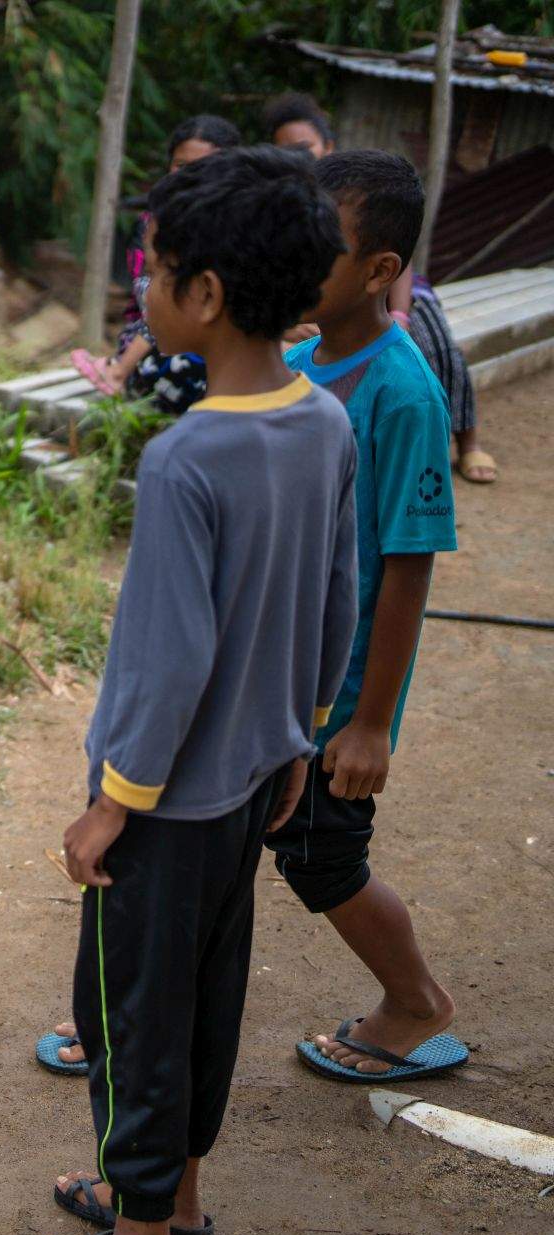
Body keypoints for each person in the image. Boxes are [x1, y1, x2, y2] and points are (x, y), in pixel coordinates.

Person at [18, 146, 356, 1235]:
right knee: (208, 996)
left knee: (129, 1020)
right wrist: (301, 729)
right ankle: (177, 1197)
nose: (144, 290)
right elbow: (337, 597)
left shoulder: (184, 458)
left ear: (205, 295)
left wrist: (111, 805)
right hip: (257, 777)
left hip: (162, 808)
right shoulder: (325, 422)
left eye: (155, 269)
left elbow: (168, 665)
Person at [269, 150, 470, 1082]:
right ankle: (125, 1012)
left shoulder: (404, 394)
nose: (301, 256)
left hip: (332, 694)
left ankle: (415, 1002)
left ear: (383, 270)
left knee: (322, 859)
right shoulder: (302, 360)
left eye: (326, 244)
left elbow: (407, 572)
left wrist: (371, 721)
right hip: (269, 674)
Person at [265, 93, 495, 483]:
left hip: (399, 291)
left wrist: (400, 315)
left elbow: (399, 267)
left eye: (304, 148)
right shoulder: (288, 201)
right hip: (352, 295)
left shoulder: (365, 196)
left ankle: (468, 439)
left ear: (328, 146)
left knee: (436, 340)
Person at [69, 115, 240, 407]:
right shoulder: (151, 225)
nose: (190, 177)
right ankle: (121, 372)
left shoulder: (241, 226)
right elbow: (152, 300)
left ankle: (118, 372)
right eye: (181, 166)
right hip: (161, 338)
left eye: (204, 167)